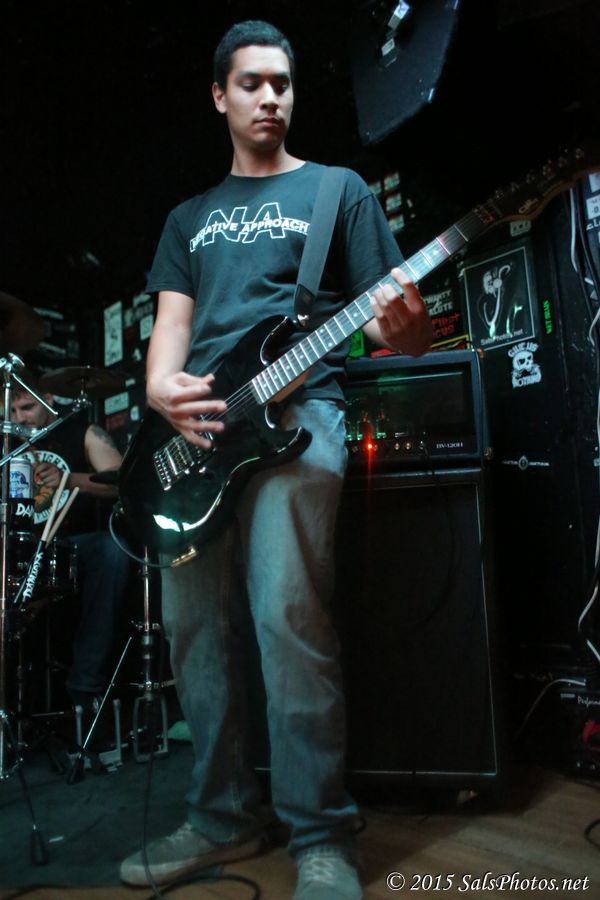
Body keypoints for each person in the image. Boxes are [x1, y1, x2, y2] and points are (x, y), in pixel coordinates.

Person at [119, 20, 432, 899]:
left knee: (287, 617)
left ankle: (321, 837)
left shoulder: (338, 191)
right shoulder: (188, 219)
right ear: (219, 95)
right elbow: (171, 331)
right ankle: (220, 817)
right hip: (197, 441)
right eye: (252, 83)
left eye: (283, 84)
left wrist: (409, 332)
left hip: (300, 418)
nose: (270, 98)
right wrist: (160, 388)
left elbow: (392, 327)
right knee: (194, 630)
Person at [10, 383, 131, 713]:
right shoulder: (9, 446)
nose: (21, 419)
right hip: (20, 550)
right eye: (12, 412)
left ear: (48, 398)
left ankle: (85, 686)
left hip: (73, 544)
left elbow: (121, 479)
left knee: (111, 551)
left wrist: (69, 478)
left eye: (27, 407)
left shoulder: (80, 431)